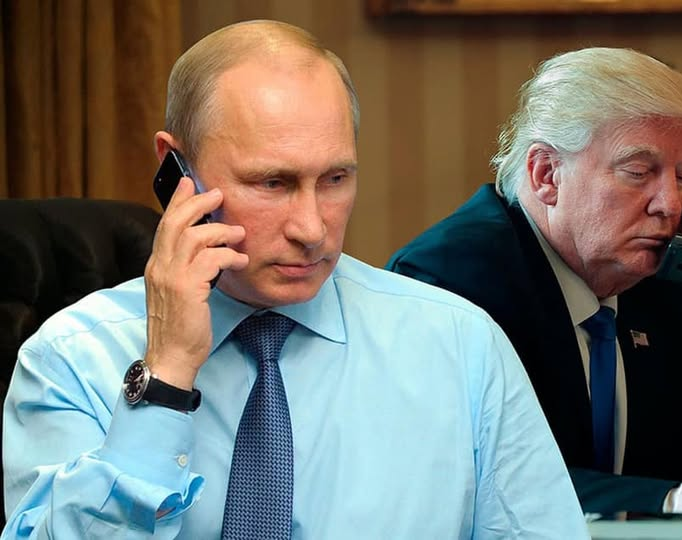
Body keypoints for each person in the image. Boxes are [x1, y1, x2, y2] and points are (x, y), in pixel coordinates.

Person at [1, 20, 588, 539]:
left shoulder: (461, 348)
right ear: (175, 168)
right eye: (272, 183)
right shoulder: (71, 359)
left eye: (335, 179)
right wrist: (166, 378)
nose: (312, 229)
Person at [387, 47, 682, 516]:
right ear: (546, 174)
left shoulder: (664, 286)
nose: (670, 205)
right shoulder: (450, 283)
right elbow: (482, 482)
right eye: (639, 173)